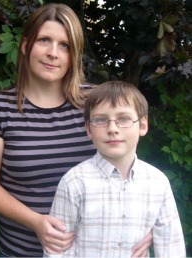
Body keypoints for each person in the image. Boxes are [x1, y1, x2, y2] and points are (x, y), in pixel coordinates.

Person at [0, 3, 152, 257]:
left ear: (74, 54)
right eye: (44, 40)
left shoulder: (96, 104)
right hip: (22, 251)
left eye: (64, 45)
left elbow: (133, 173)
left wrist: (148, 227)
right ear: (25, 45)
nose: (53, 53)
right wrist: (35, 221)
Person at [46, 80, 186, 258]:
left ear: (143, 125)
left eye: (123, 119)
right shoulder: (74, 182)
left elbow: (170, 245)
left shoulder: (158, 183)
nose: (112, 129)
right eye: (100, 120)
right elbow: (58, 249)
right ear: (88, 129)